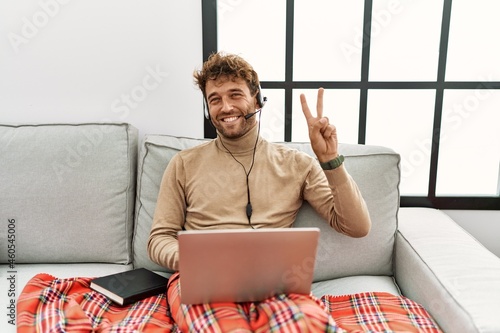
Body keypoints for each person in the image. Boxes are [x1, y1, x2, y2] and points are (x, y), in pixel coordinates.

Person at [148, 52, 371, 332]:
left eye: (235, 95)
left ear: (257, 100)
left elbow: (357, 226)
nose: (225, 106)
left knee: (309, 326)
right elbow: (159, 238)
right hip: (203, 280)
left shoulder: (297, 164)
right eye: (214, 99)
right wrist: (197, 259)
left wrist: (330, 161)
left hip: (275, 284)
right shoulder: (183, 163)